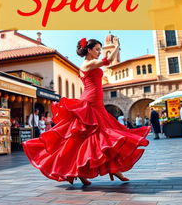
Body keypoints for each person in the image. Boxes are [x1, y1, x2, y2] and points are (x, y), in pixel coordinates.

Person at [23, 38, 151, 186]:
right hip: (90, 103)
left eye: (99, 50)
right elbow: (108, 61)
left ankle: (105, 170)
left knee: (101, 138)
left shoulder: (89, 64)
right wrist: (116, 46)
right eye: (97, 49)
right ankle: (101, 171)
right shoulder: (87, 64)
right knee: (98, 136)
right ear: (89, 50)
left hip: (97, 103)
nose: (98, 52)